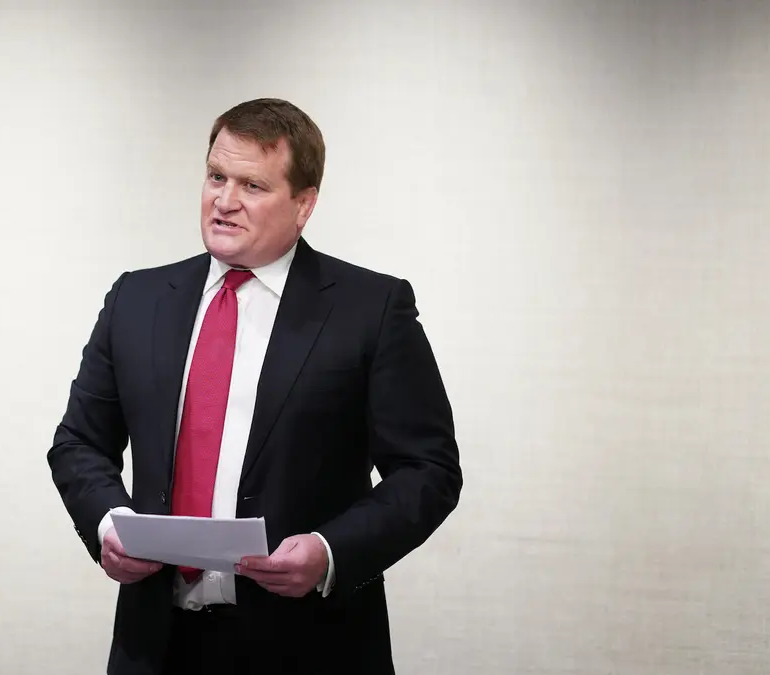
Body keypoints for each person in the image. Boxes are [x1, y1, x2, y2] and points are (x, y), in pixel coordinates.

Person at [47, 98, 462, 675]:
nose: (224, 201)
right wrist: (107, 524)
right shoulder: (136, 300)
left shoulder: (371, 310)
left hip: (310, 644)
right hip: (156, 643)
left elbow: (429, 470)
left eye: (253, 186)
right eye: (216, 176)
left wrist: (330, 551)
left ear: (304, 205)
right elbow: (78, 443)